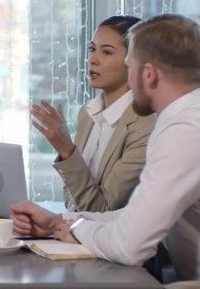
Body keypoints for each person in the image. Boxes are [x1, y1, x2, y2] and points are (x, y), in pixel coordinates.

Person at [11, 13, 200, 281]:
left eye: (129, 65)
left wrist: (75, 227)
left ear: (149, 74)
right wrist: (59, 222)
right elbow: (137, 217)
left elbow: (129, 246)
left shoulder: (187, 131)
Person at [31, 15, 155, 212]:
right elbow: (72, 200)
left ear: (133, 61)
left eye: (106, 52)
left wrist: (66, 151)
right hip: (79, 234)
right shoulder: (88, 113)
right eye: (91, 49)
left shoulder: (145, 125)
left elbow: (102, 209)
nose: (92, 60)